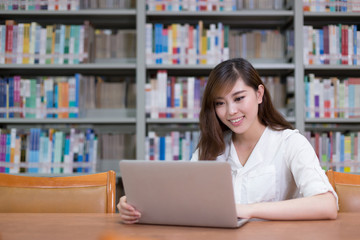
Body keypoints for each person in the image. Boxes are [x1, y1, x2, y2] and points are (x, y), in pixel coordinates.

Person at [118, 58, 338, 224]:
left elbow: (327, 204)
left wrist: (249, 209)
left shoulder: (290, 142)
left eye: (239, 98)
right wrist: (135, 203)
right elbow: (182, 199)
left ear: (259, 94)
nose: (231, 111)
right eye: (220, 103)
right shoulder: (212, 147)